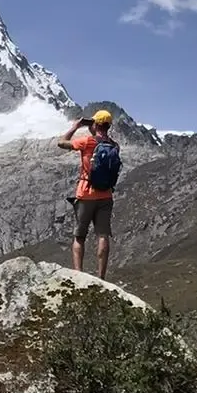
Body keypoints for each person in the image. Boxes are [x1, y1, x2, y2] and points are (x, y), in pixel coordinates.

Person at [59, 110, 118, 277]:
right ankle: (102, 277)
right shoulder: (115, 146)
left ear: (95, 124)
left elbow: (61, 143)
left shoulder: (87, 142)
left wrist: (75, 127)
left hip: (85, 194)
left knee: (79, 236)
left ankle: (78, 275)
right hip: (106, 195)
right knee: (103, 235)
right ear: (108, 126)